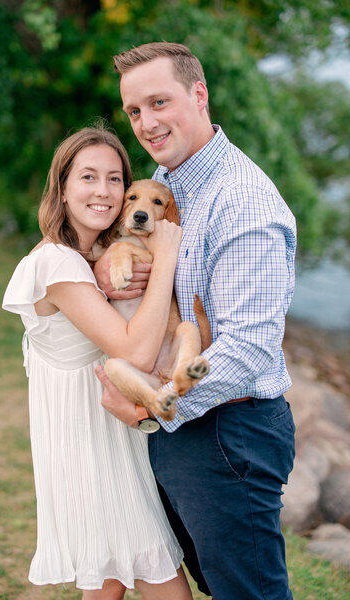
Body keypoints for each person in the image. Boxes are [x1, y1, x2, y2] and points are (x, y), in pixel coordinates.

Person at [94, 43, 297, 600]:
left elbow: (250, 349)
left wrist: (151, 405)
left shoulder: (244, 201)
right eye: (134, 111)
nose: (147, 123)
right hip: (181, 427)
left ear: (199, 94)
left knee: (247, 593)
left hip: (230, 433)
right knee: (211, 583)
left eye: (159, 102)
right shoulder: (167, 180)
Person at [2, 126, 194, 600]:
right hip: (89, 446)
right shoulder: (59, 263)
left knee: (108, 578)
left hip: (110, 430)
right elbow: (136, 352)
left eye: (114, 179)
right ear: (63, 188)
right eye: (88, 177)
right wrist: (166, 256)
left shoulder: (93, 257)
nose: (104, 191)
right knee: (157, 573)